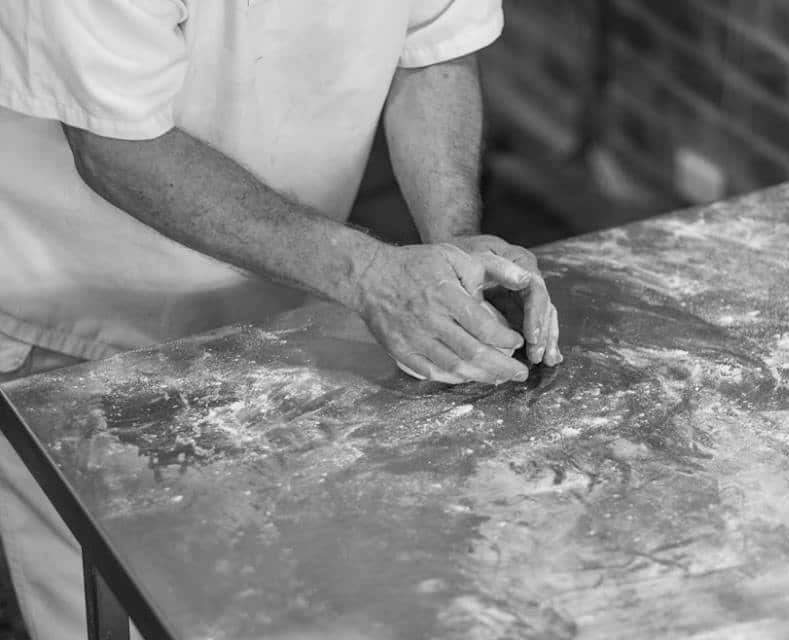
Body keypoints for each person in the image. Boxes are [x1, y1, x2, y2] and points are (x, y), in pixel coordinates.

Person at [0, 1, 562, 637]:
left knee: (274, 602)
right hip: (82, 321)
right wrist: (367, 274)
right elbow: (115, 147)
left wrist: (455, 242)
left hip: (289, 297)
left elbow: (434, 50)